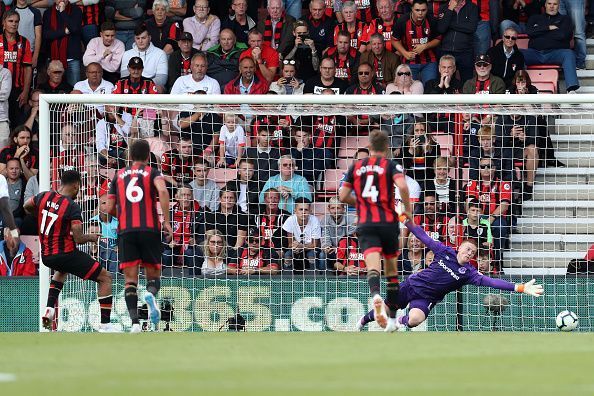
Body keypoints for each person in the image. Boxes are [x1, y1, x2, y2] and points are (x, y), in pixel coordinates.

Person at [356, 217, 544, 331]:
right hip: (411, 285)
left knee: (414, 320)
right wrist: (404, 218)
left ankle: (394, 324)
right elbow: (422, 235)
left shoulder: (469, 273)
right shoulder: (443, 251)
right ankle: (362, 321)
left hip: (426, 297)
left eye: (473, 252)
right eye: (467, 249)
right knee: (384, 310)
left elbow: (492, 282)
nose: (469, 253)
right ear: (459, 248)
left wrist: (520, 287)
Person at [23, 170, 114, 332]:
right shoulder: (72, 207)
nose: (79, 191)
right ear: (75, 185)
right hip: (66, 254)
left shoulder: (43, 196)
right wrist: (91, 237)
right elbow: (78, 238)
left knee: (62, 271)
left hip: (47, 256)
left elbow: (26, 206)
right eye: (79, 187)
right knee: (105, 277)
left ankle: (49, 308)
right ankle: (106, 325)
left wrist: (40, 215)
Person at [339, 129, 412, 329]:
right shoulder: (391, 165)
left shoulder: (356, 166)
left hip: (366, 223)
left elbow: (342, 195)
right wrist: (408, 209)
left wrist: (362, 203)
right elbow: (403, 187)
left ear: (369, 147)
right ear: (387, 148)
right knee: (391, 273)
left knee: (373, 267)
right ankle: (391, 320)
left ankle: (375, 295)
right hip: (387, 223)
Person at [105, 139, 173, 333]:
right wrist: (166, 220)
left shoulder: (118, 176)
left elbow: (109, 207)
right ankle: (150, 294)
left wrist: (124, 216)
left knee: (130, 281)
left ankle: (135, 323)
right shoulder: (152, 172)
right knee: (153, 277)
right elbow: (162, 190)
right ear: (147, 156)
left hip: (127, 232)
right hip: (150, 229)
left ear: (129, 156)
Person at [522, 0, 580, 92]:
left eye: (555, 4)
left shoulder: (565, 19)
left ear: (558, 5)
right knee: (518, 53)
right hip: (535, 53)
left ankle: (571, 89)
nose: (552, 6)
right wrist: (548, 28)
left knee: (569, 54)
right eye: (549, 3)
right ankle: (519, 88)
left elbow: (563, 35)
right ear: (545, 5)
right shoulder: (535, 18)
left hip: (555, 53)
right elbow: (529, 32)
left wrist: (539, 32)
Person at [392, 0, 441, 84]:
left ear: (427, 9)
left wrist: (425, 46)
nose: (420, 13)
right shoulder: (403, 21)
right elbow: (394, 40)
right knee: (409, 90)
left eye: (423, 10)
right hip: (409, 62)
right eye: (417, 10)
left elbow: (438, 39)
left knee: (430, 89)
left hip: (429, 62)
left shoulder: (432, 20)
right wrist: (405, 53)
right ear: (412, 9)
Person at [0, 10, 32, 126]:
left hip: (17, 90)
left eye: (16, 21)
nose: (14, 24)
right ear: (3, 22)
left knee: (16, 124)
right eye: (10, 21)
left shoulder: (24, 42)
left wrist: (26, 91)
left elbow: (28, 68)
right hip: (0, 88)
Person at [42, 0, 83, 87]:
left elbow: (74, 28)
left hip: (72, 58)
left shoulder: (76, 10)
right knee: (53, 88)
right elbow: (46, 34)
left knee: (74, 89)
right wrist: (64, 32)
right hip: (53, 58)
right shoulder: (48, 12)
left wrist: (63, 12)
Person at [436, 0, 479, 83]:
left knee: (467, 83)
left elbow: (471, 28)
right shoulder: (444, 7)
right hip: (446, 51)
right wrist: (450, 9)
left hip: (465, 52)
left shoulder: (472, 7)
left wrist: (450, 24)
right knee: (445, 82)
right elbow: (441, 28)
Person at [120, 24, 168, 91]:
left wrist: (143, 85)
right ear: (134, 39)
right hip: (132, 85)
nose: (140, 41)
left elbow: (162, 79)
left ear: (149, 38)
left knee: (159, 88)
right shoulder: (127, 54)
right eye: (138, 38)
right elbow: (124, 77)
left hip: (151, 86)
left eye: (143, 38)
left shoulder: (160, 53)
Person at [282, 197, 321, 272]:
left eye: (306, 210)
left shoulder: (314, 220)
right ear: (295, 211)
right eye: (300, 209)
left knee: (311, 256)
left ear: (310, 211)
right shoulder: (290, 220)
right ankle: (287, 281)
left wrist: (302, 247)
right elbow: (290, 244)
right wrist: (295, 247)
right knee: (287, 256)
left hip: (310, 249)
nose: (303, 212)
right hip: (295, 248)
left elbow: (315, 245)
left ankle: (312, 280)